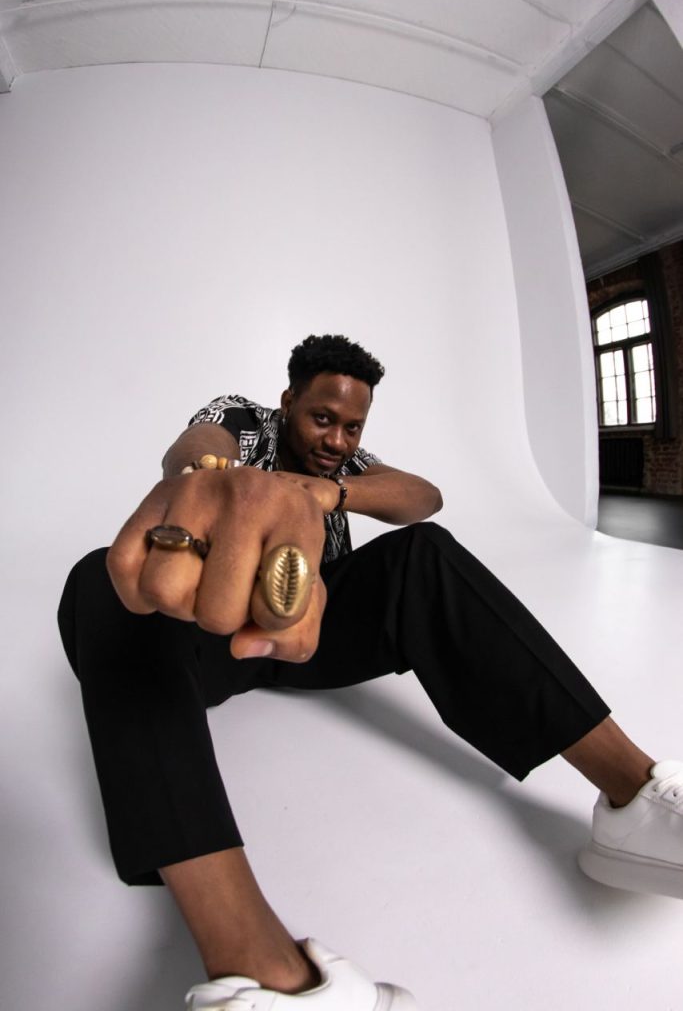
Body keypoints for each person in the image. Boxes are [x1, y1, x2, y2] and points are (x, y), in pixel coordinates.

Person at [58, 334, 683, 1010]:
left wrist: (327, 494)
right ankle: (257, 972)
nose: (336, 438)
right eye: (321, 418)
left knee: (423, 552)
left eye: (351, 426)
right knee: (102, 579)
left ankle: (634, 802)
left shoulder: (343, 463)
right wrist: (206, 479)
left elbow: (423, 496)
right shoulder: (243, 418)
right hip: (212, 635)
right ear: (288, 401)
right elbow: (196, 442)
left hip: (312, 633)